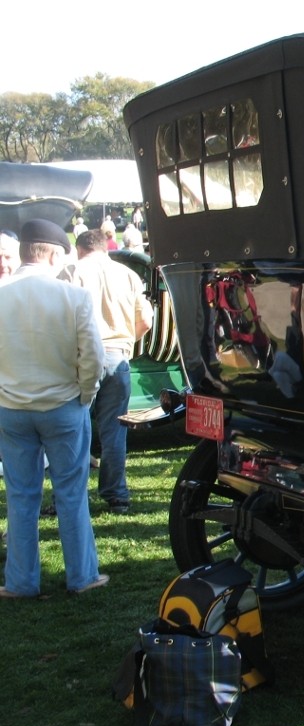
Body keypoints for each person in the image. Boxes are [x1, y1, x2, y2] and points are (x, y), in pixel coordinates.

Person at [0, 219, 106, 598]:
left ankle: (20, 582)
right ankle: (82, 576)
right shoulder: (73, 296)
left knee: (21, 495)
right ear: (53, 253)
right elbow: (93, 356)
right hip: (63, 405)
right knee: (71, 493)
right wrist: (85, 394)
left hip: (11, 407)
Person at [62, 229, 153, 513]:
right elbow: (147, 321)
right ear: (106, 248)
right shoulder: (128, 275)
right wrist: (127, 342)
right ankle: (116, 495)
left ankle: (71, 495)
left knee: (74, 428)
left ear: (80, 249)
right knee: (115, 430)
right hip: (118, 356)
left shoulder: (72, 271)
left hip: (82, 356)